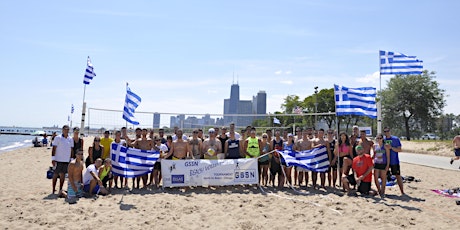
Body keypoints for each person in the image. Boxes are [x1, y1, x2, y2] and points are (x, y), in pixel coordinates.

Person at [51, 125, 74, 195]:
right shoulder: (58, 138)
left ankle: (60, 189)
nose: (66, 131)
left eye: (67, 129)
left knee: (63, 175)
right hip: (58, 159)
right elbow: (54, 148)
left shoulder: (70, 139)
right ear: (62, 130)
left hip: (66, 160)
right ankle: (53, 189)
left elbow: (71, 149)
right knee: (55, 174)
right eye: (65, 129)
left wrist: (71, 159)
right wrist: (53, 159)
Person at [383, 127, 404, 195]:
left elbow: (400, 149)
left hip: (394, 161)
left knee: (397, 175)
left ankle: (402, 191)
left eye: (387, 131)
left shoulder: (395, 139)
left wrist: (391, 148)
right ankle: (382, 191)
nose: (386, 132)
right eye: (385, 131)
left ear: (390, 131)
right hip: (385, 161)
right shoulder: (383, 139)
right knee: (384, 176)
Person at [372, 133, 391, 198]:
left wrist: (388, 165)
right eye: (378, 138)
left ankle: (383, 192)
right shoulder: (375, 146)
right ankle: (379, 190)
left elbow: (388, 156)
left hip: (383, 163)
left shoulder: (385, 146)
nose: (379, 139)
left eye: (380, 138)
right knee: (375, 178)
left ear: (382, 139)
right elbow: (374, 155)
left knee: (383, 178)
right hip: (376, 163)